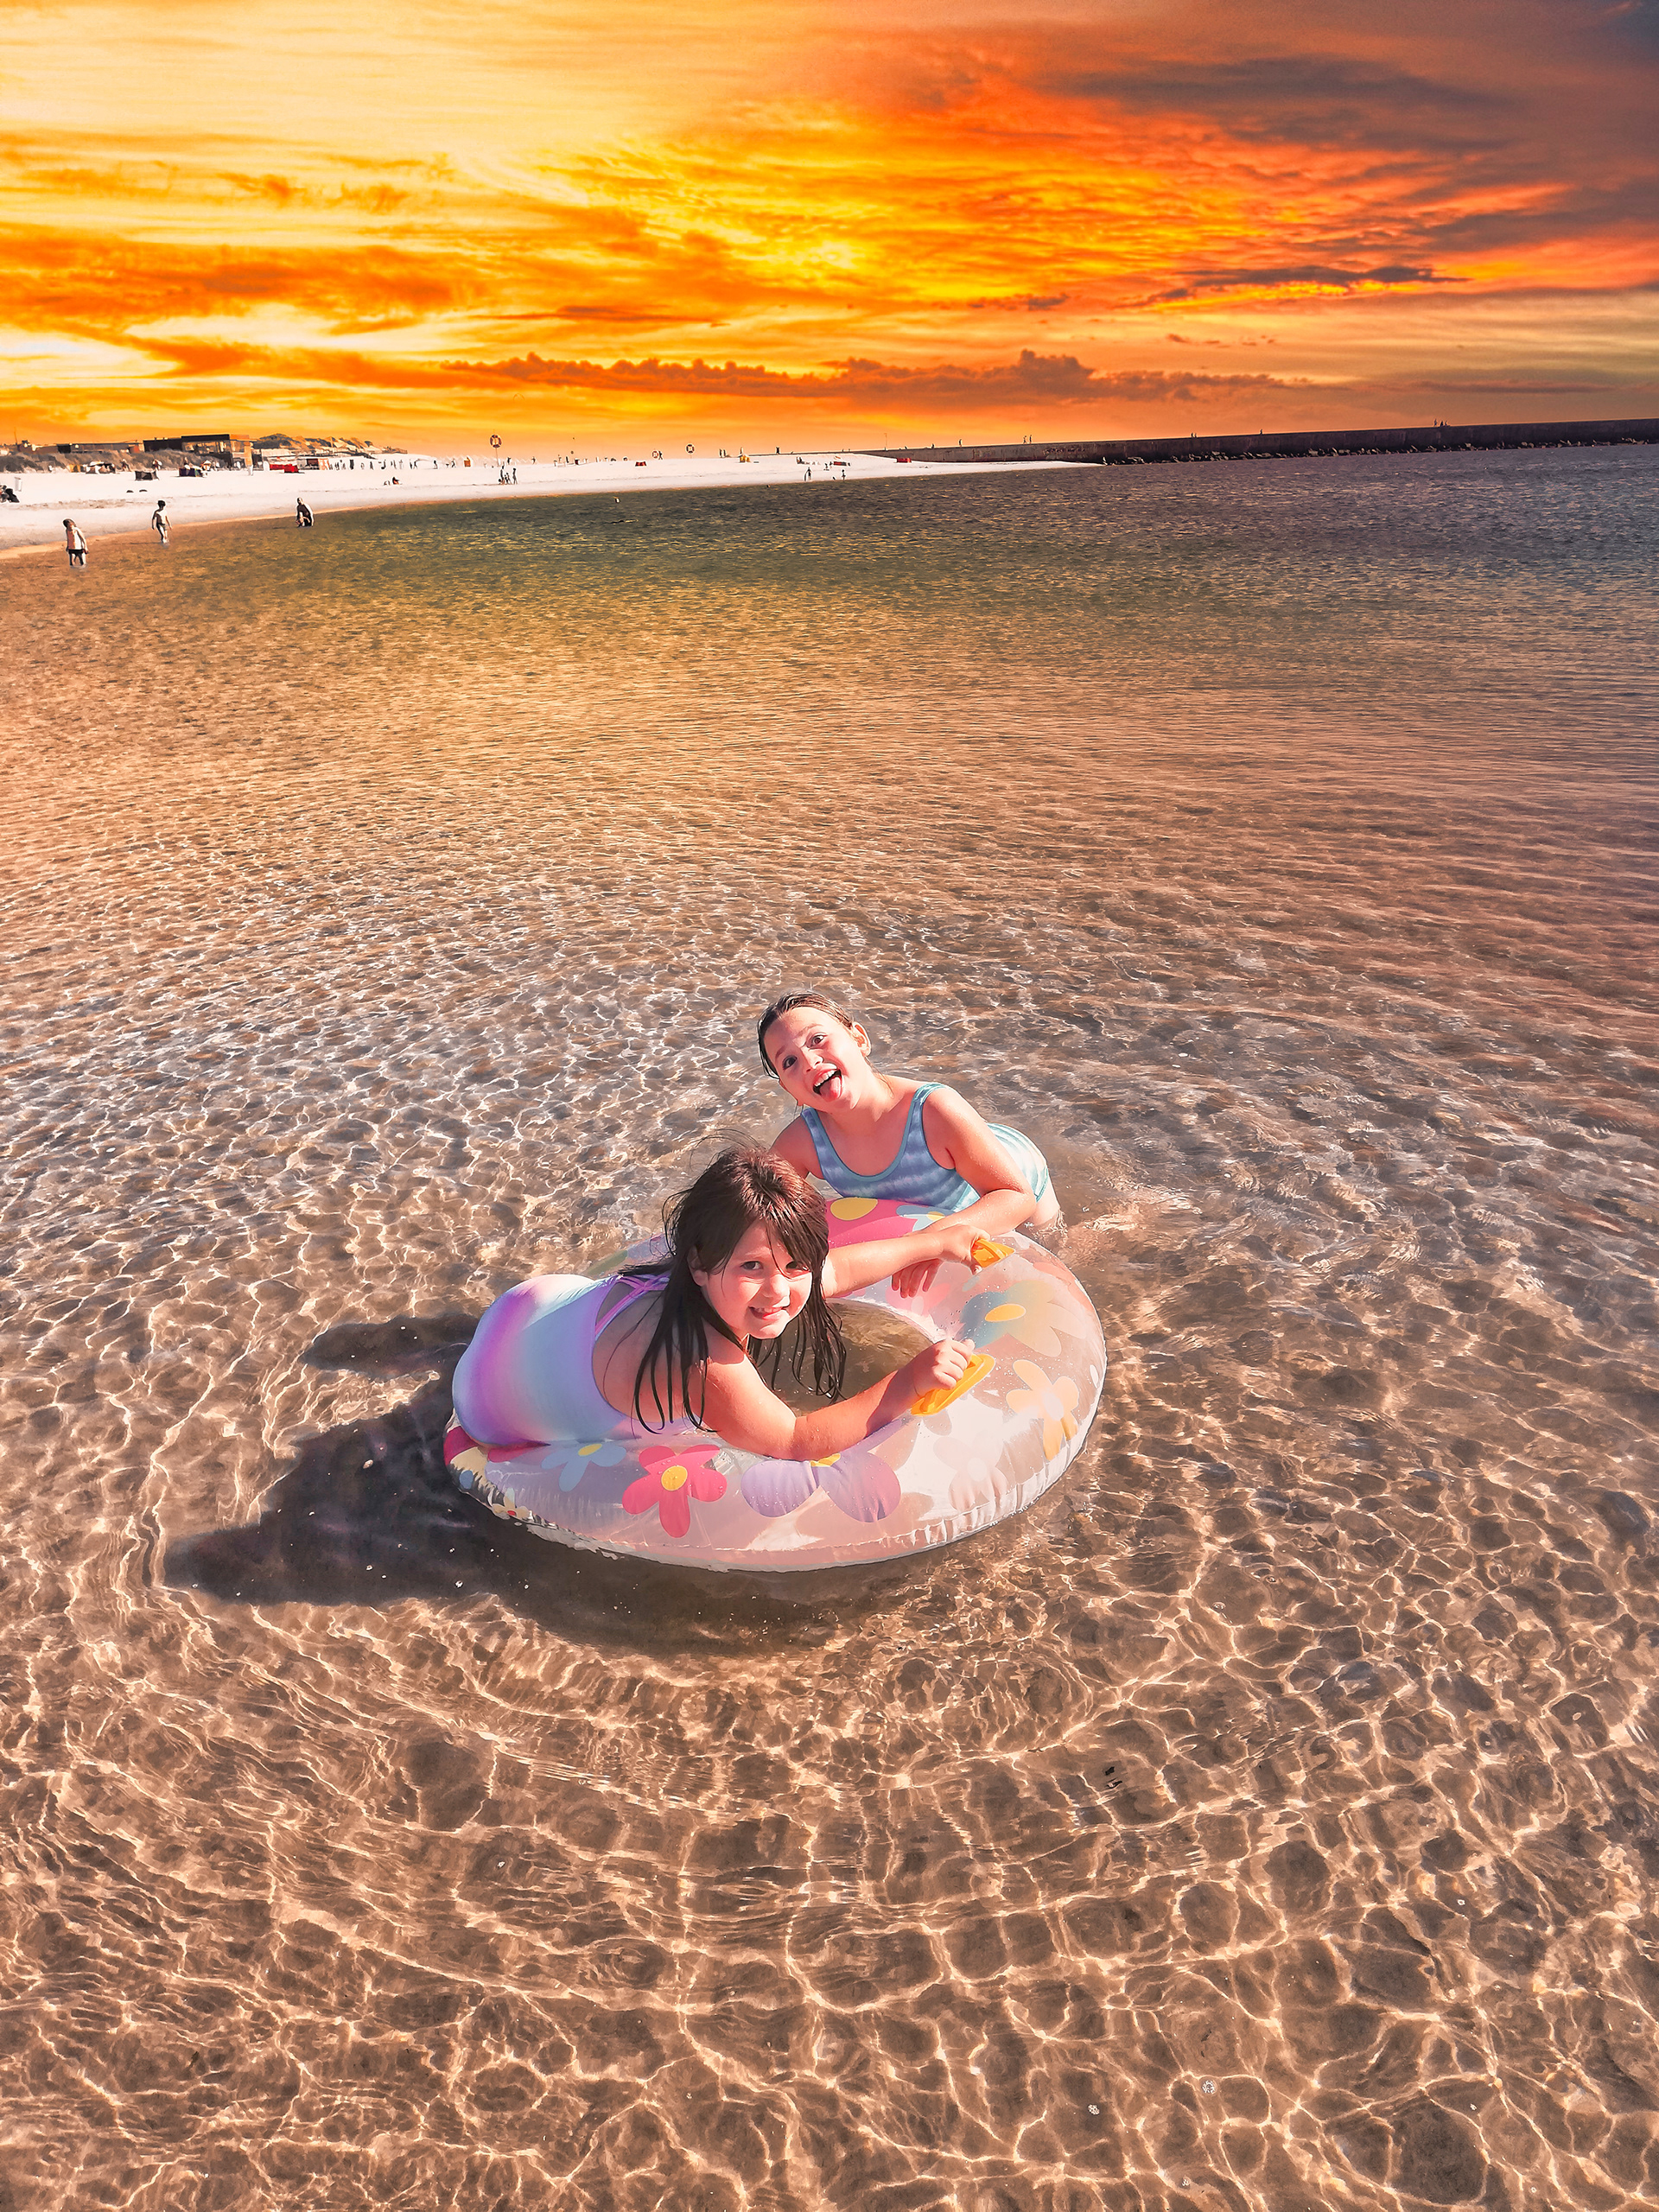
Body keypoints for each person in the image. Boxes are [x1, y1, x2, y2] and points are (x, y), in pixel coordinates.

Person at [450, 1147, 977, 1457]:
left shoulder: (690, 1269)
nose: (779, 1290)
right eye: (753, 1268)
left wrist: (930, 1243)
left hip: (528, 1311)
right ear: (700, 1264)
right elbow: (795, 1440)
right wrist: (909, 1380)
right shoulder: (701, 1362)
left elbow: (831, 1271)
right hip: (488, 1407)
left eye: (795, 1266)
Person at [760, 991, 1059, 1236]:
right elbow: (757, 1217)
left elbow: (1016, 1197)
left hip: (1013, 1174)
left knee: (1054, 1250)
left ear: (859, 1039)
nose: (809, 1062)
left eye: (817, 1039)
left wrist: (928, 1241)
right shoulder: (803, 1144)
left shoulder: (934, 1111)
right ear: (787, 1088)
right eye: (789, 1062)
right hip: (941, 1187)